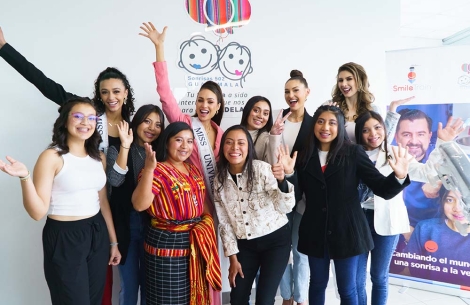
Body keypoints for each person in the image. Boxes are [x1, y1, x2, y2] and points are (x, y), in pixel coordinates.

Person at [0, 27, 137, 302]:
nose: (110, 97)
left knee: (102, 289)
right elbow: (42, 81)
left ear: (125, 94)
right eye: (104, 92)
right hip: (72, 207)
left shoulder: (133, 126)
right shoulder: (84, 113)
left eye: (116, 91)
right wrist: (4, 48)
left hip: (111, 210)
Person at [0, 97, 121, 305]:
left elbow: (103, 202)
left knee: (94, 300)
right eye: (78, 116)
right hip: (65, 237)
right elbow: (37, 212)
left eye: (91, 118)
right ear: (65, 121)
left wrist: (113, 242)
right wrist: (25, 177)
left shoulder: (98, 158)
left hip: (97, 232)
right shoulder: (52, 157)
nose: (86, 122)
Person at [139, 22, 225, 303]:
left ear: (218, 106)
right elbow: (165, 93)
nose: (204, 105)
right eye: (200, 99)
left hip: (208, 207)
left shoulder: (222, 134)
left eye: (210, 101)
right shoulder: (184, 124)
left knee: (206, 271)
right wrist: (159, 47)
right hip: (176, 204)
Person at [296, 105, 411, 305]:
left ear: (340, 127)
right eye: (321, 121)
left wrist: (399, 176)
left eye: (332, 123)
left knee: (347, 290)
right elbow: (296, 194)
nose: (326, 127)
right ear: (314, 125)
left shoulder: (353, 153)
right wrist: (287, 175)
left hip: (347, 232)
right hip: (314, 231)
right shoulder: (304, 155)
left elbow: (381, 188)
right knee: (316, 284)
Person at [354, 111, 463, 305]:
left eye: (377, 127)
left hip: (388, 222)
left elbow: (426, 172)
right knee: (357, 279)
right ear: (359, 133)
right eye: (366, 129)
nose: (373, 133)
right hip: (358, 221)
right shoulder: (353, 154)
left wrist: (442, 144)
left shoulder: (396, 152)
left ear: (385, 129)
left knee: (379, 277)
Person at [132, 122, 221, 305]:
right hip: (166, 245)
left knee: (191, 298)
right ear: (166, 142)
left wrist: (206, 225)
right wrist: (149, 168)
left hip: (194, 245)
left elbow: (203, 202)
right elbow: (139, 205)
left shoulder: (193, 170)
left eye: (189, 141)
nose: (184, 146)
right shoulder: (157, 170)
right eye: (178, 140)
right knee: (167, 300)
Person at [214, 125, 297, 305]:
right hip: (246, 246)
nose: (235, 148)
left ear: (249, 147)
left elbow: (286, 207)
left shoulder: (262, 169)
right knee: (237, 299)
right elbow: (225, 223)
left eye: (241, 143)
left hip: (276, 242)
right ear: (223, 147)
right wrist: (233, 259)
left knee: (264, 300)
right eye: (229, 142)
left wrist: (283, 180)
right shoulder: (219, 180)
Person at [106, 105, 165, 305]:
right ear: (137, 121)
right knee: (129, 286)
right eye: (147, 121)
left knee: (151, 285)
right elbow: (114, 180)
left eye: (158, 124)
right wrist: (125, 145)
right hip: (126, 224)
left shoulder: (161, 154)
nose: (152, 128)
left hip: (154, 226)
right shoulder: (118, 148)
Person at [274, 69, 313, 305]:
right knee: (279, 250)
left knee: (300, 252)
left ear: (307, 92)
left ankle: (300, 299)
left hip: (304, 199)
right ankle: (286, 296)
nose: (291, 95)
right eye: (287, 91)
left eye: (295, 90)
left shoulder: (315, 122)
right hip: (277, 195)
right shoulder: (280, 120)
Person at [404, 189, 470, 286]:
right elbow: (409, 270)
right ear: (442, 202)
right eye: (450, 200)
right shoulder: (425, 228)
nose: (458, 208)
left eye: (465, 201)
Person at [394, 109, 442, 243]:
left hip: (436, 234)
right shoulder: (390, 158)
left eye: (420, 134)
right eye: (407, 134)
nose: (414, 141)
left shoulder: (442, 157)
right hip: (395, 230)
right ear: (396, 137)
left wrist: (440, 182)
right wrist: (404, 228)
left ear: (429, 135)